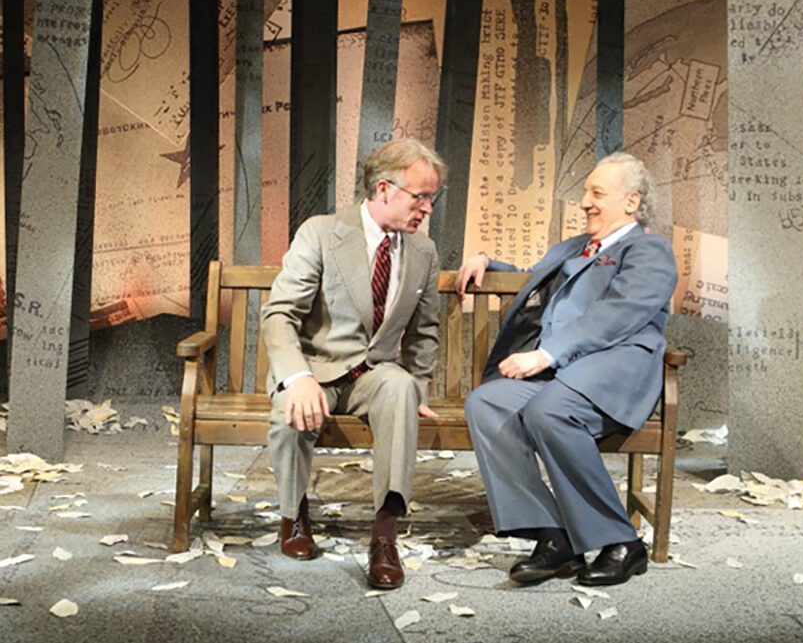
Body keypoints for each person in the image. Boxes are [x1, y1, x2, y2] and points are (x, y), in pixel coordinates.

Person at [456, 152, 677, 587]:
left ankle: (622, 542)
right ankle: (552, 535)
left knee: (549, 412)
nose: (585, 202)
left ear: (631, 202)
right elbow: (534, 280)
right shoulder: (574, 248)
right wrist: (487, 262)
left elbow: (618, 313)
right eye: (586, 192)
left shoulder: (650, 251)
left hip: (612, 373)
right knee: (488, 403)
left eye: (597, 193)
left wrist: (546, 354)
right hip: (562, 375)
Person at [262, 138, 445, 590]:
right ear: (384, 189)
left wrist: (418, 388)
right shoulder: (322, 233)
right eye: (420, 197)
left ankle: (384, 536)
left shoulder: (423, 251)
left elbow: (424, 332)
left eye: (433, 198)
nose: (427, 209)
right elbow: (280, 314)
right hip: (316, 369)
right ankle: (293, 514)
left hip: (374, 376)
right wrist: (297, 377)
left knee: (400, 387)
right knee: (290, 409)